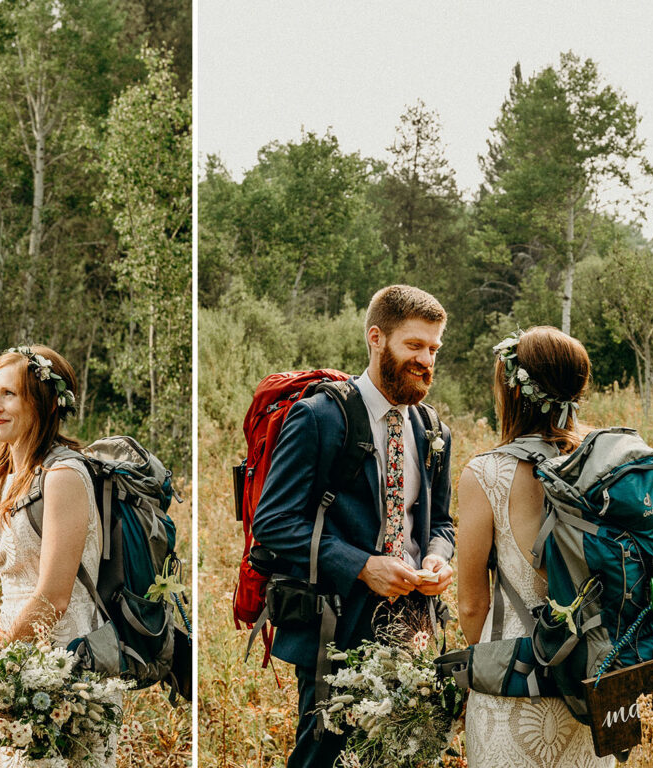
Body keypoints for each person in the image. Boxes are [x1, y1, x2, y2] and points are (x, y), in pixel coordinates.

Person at [253, 284, 456, 768]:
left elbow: (443, 523)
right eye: (414, 346)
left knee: (404, 754)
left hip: (412, 627)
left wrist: (438, 557)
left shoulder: (434, 431)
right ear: (376, 338)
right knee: (322, 755)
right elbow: (274, 520)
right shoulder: (319, 416)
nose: (426, 360)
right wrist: (362, 565)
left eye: (433, 349)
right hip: (333, 624)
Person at [457, 326, 613, 767]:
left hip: (515, 684)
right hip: (594, 682)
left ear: (513, 391)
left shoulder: (487, 474)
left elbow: (471, 604)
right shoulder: (609, 466)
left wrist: (482, 666)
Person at [0, 345, 115, 768]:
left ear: (42, 403)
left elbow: (54, 596)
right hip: (9, 670)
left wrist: (3, 659)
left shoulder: (64, 477)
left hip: (68, 668)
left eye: (8, 394)